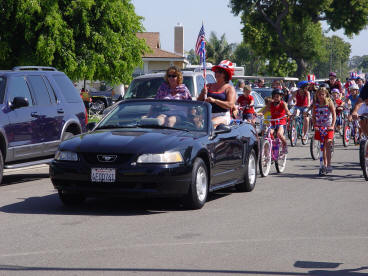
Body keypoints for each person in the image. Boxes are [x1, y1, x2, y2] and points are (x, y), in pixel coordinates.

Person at [197, 60, 236, 128]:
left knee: (211, 124)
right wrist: (202, 94)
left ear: (226, 74)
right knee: (194, 125)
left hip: (222, 116)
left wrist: (214, 101)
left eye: (220, 72)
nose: (217, 73)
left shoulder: (229, 88)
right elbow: (198, 102)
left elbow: (230, 105)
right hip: (207, 115)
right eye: (216, 71)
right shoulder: (208, 86)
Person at [312, 87, 336, 175]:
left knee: (328, 144)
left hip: (328, 126)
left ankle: (329, 164)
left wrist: (332, 126)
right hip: (319, 127)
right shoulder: (316, 104)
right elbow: (313, 116)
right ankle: (324, 165)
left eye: (322, 94)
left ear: (326, 94)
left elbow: (334, 114)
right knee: (322, 147)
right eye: (319, 94)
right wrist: (315, 126)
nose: (321, 96)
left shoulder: (329, 102)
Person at [261, 89, 292, 154]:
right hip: (273, 122)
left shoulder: (283, 103)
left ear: (281, 97)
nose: (276, 98)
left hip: (281, 122)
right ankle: (272, 146)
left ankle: (285, 145)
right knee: (268, 133)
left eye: (277, 96)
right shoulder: (270, 104)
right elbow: (263, 112)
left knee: (279, 134)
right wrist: (256, 114)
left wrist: (289, 114)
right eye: (274, 96)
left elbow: (287, 111)